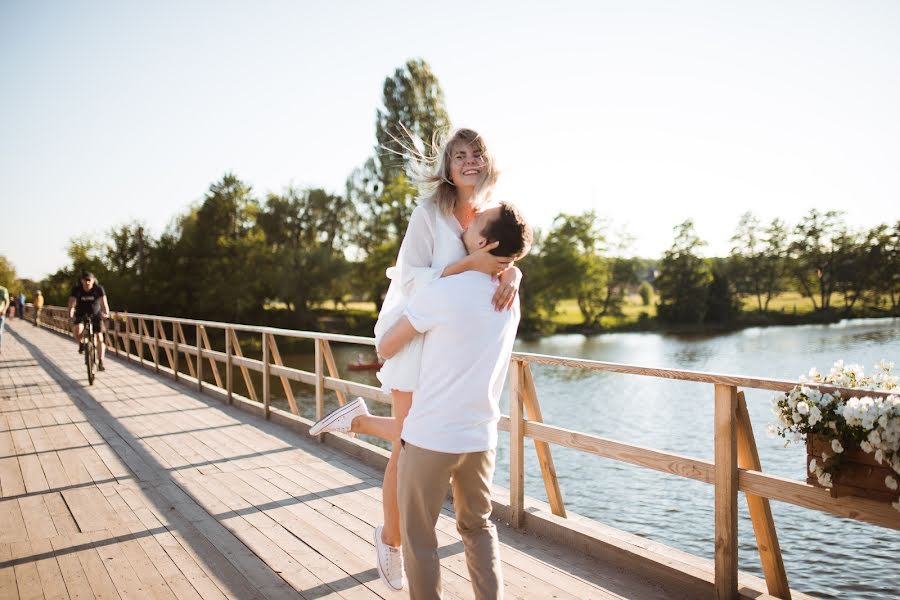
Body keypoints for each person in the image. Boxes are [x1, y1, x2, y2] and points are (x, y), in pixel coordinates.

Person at [308, 127, 521, 592]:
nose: (469, 161)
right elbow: (407, 280)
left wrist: (515, 275)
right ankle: (390, 538)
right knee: (408, 444)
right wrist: (467, 267)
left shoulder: (490, 212)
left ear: (486, 162)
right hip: (414, 329)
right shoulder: (428, 213)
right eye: (458, 155)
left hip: (450, 334)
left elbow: (506, 252)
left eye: (476, 154)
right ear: (447, 166)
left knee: (415, 437)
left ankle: (361, 422)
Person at [379, 202, 532, 599]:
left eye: (477, 220)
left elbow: (385, 346)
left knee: (419, 539)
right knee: (478, 528)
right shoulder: (509, 298)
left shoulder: (445, 292)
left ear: (484, 241)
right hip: (481, 439)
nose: (468, 220)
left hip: (431, 436)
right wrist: (511, 271)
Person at [68, 272, 110, 371]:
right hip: (81, 313)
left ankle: (101, 361)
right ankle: (81, 343)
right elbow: (71, 304)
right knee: (77, 330)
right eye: (85, 280)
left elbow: (104, 303)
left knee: (99, 337)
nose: (87, 283)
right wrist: (70, 315)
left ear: (93, 280)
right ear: (81, 281)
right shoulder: (77, 289)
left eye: (89, 280)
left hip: (95, 314)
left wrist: (106, 314)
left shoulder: (98, 289)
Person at [0, 285, 8, 354]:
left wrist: (4, 310)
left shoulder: (3, 290)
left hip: (0, 314)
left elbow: (7, 302)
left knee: (0, 331)